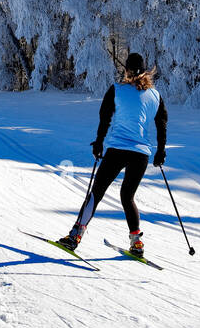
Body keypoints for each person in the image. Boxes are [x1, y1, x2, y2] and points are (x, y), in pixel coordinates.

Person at [58, 52, 167, 256]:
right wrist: (160, 151)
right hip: (141, 154)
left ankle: (75, 236)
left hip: (117, 149)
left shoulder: (117, 90)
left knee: (96, 193)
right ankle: (136, 243)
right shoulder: (156, 96)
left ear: (126, 70)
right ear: (146, 71)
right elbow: (161, 124)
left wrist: (99, 142)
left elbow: (105, 116)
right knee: (127, 196)